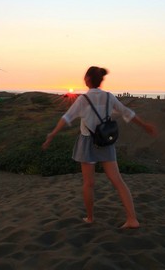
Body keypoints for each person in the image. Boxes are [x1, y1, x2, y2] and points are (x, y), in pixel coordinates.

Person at [42, 66, 157, 228]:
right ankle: (132, 219)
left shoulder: (83, 100)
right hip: (105, 142)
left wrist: (52, 135)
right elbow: (127, 113)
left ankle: (90, 218)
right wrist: (144, 125)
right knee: (118, 181)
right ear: (100, 80)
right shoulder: (109, 97)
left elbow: (66, 118)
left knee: (89, 183)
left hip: (88, 142)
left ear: (88, 79)